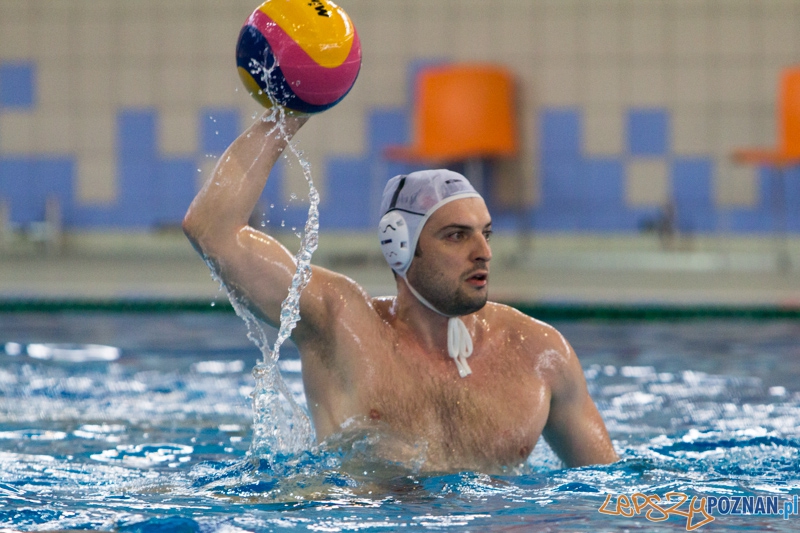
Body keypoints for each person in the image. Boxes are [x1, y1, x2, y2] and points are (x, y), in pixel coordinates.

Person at [182, 112, 618, 473]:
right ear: (400, 247)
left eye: (485, 233)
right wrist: (286, 115)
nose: (483, 252)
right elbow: (213, 231)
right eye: (456, 236)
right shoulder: (339, 323)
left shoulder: (540, 354)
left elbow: (608, 487)